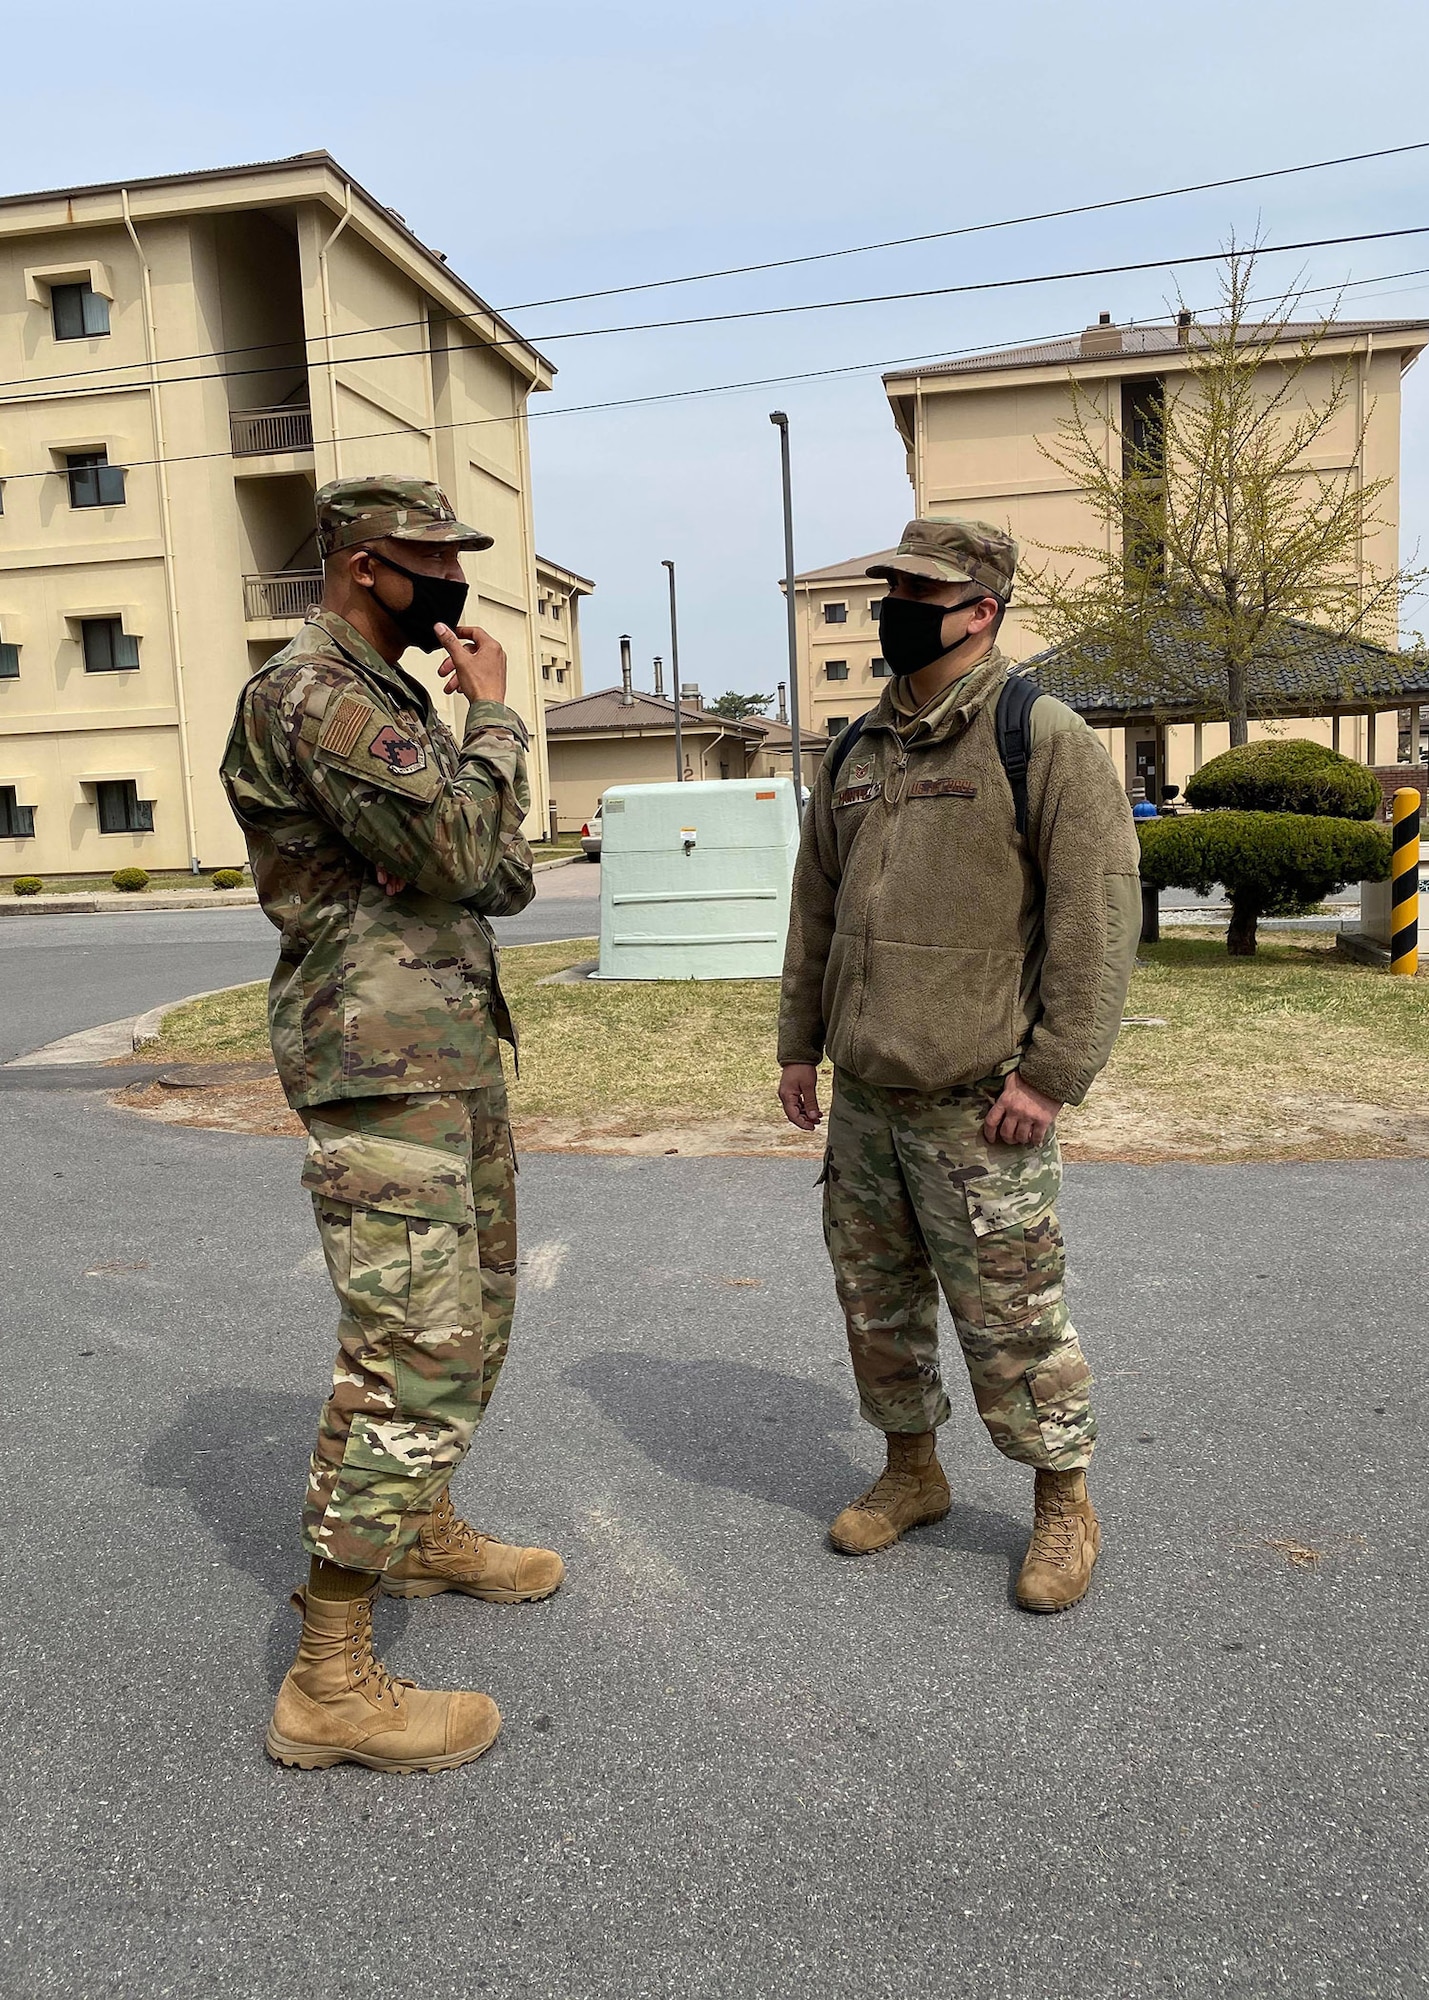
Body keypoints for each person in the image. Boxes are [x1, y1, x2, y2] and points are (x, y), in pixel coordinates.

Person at [221, 475, 563, 1772]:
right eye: (434, 558)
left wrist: (467, 772)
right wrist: (496, 727)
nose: (455, 580)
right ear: (366, 566)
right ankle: (330, 1682)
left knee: (472, 1324)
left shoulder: (393, 702)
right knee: (409, 1353)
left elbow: (500, 870)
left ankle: (418, 1528)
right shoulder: (308, 694)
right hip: (375, 1064)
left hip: (451, 1056)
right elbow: (467, 844)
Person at [777, 518, 1140, 1613]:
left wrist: (1051, 1073)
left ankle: (1063, 1501)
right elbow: (815, 912)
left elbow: (1096, 918)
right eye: (889, 586)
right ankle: (911, 1471)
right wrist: (799, 1043)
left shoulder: (1042, 737)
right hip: (865, 1099)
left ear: (980, 608)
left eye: (916, 590)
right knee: (876, 1305)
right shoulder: (855, 750)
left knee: (1014, 1315)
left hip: (982, 1105)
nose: (893, 607)